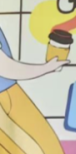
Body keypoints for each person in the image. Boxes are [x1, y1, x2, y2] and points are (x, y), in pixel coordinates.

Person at [0, 24, 68, 154]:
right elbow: (4, 67)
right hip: (6, 94)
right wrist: (46, 68)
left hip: (9, 90)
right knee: (42, 148)